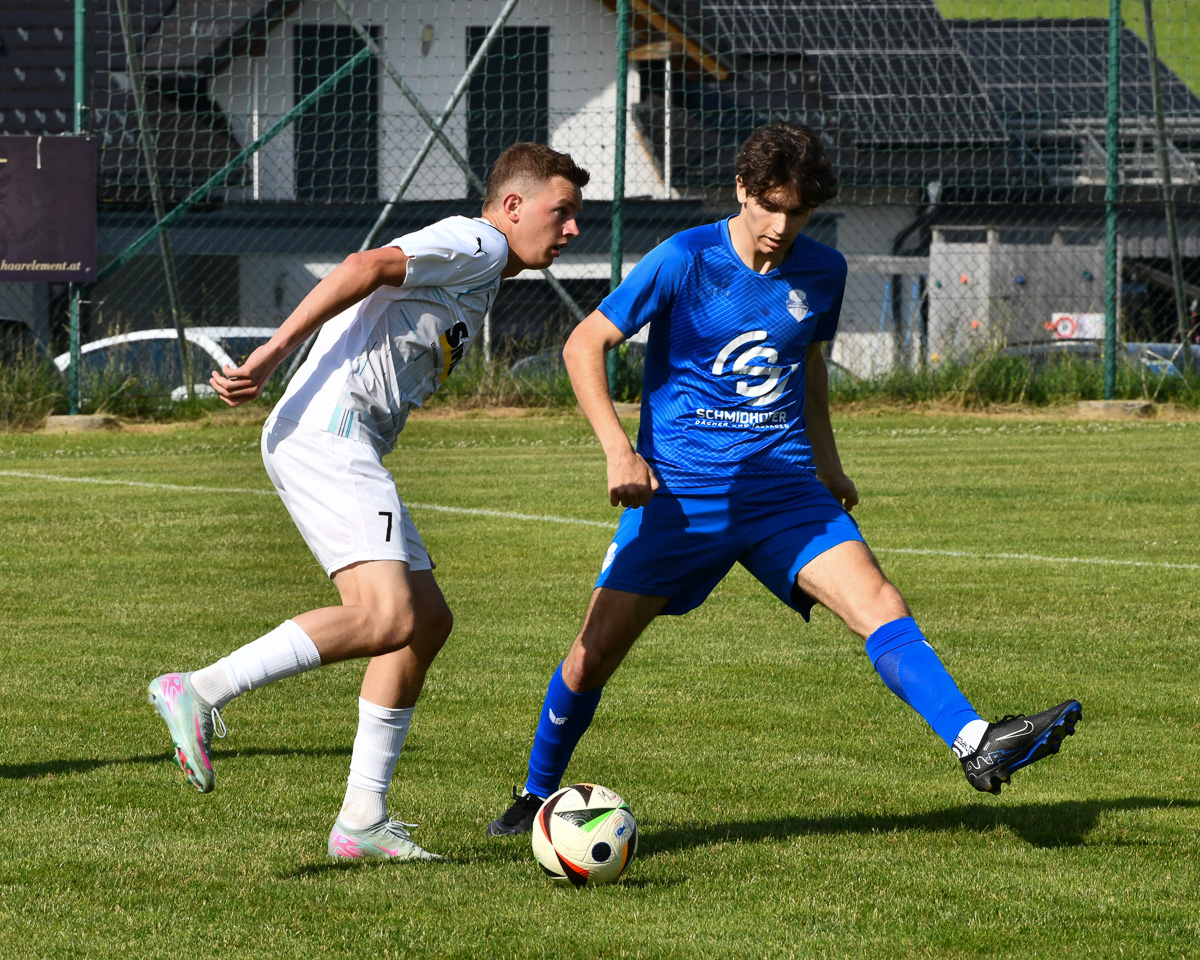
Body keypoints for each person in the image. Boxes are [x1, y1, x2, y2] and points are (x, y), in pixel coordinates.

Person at [486, 122, 1081, 836]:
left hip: (784, 490)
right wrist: (618, 449)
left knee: (879, 601)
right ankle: (535, 795)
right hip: (683, 494)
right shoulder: (684, 258)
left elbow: (810, 367)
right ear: (742, 189)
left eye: (796, 212)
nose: (779, 225)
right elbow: (584, 343)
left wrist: (828, 463)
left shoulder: (824, 271)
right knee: (593, 656)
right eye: (768, 205)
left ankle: (975, 741)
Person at [148, 142, 591, 861]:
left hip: (342, 441)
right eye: (561, 211)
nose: (572, 229)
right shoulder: (478, 241)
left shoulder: (485, 271)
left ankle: (362, 818)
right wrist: (271, 353)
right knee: (387, 616)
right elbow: (364, 266)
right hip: (331, 435)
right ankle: (199, 689)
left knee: (426, 624)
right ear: (513, 206)